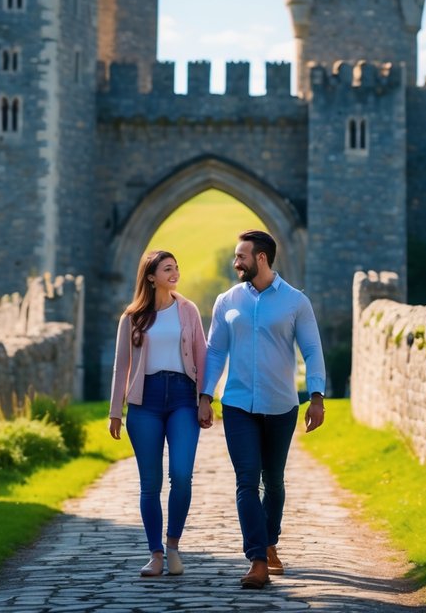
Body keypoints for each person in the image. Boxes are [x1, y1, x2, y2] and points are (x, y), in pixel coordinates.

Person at [198, 229, 326, 590]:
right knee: (246, 480)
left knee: (275, 481)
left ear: (262, 259)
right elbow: (215, 351)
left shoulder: (296, 302)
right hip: (237, 403)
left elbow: (312, 351)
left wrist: (316, 396)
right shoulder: (227, 300)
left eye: (241, 256)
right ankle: (257, 559)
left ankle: (270, 542)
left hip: (281, 404)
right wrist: (206, 396)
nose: (235, 262)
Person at [109, 249, 209, 577]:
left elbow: (202, 356)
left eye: (176, 268)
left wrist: (206, 399)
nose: (175, 273)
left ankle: (174, 546)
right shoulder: (132, 317)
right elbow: (121, 365)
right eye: (167, 269)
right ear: (151, 276)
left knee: (181, 475)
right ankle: (154, 554)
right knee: (150, 483)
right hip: (144, 402)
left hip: (182, 398)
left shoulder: (188, 310)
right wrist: (115, 413)